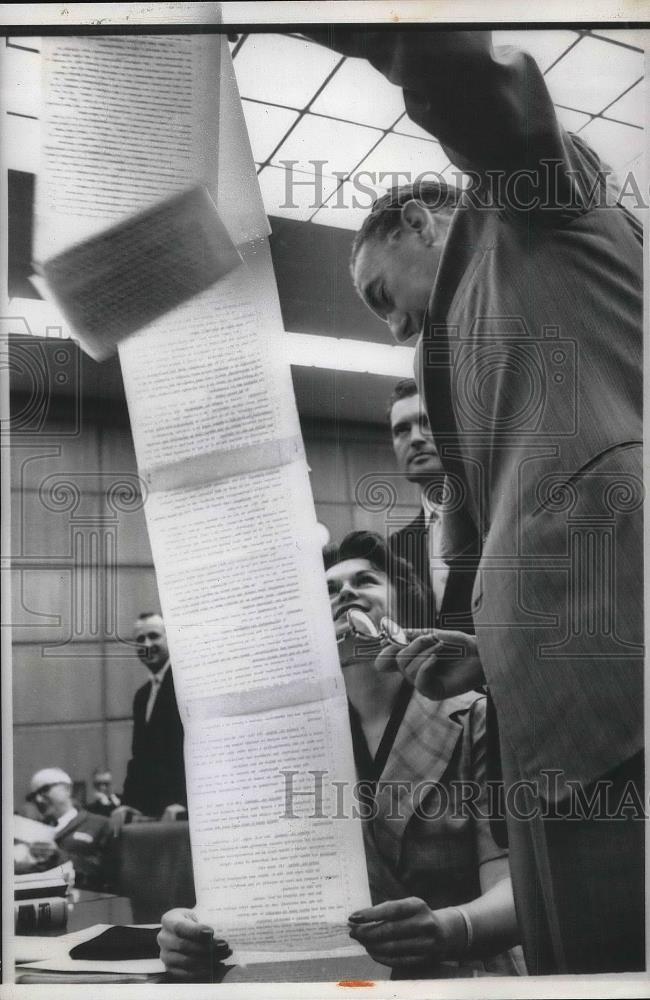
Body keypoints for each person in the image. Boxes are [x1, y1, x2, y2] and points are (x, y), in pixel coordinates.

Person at [300, 29, 643, 974]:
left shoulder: (536, 208)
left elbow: (484, 94)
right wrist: (487, 652)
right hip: (555, 731)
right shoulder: (471, 366)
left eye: (383, 298)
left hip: (623, 703)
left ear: (421, 224)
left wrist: (382, 28)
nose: (397, 327)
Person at [158, 532, 524, 980]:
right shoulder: (283, 743)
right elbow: (255, 890)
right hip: (337, 980)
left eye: (365, 580)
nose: (345, 592)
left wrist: (452, 927)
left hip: (467, 975)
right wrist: (190, 927)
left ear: (404, 609)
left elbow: (515, 889)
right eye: (328, 589)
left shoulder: (475, 717)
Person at [388, 378, 476, 631]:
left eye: (426, 422)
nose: (415, 438)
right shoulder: (394, 550)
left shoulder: (495, 519)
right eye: (401, 429)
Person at [112, 612, 187, 828]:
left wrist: (186, 803)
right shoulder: (142, 696)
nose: (147, 644)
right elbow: (140, 759)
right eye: (140, 639)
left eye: (154, 636)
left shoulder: (187, 684)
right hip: (155, 816)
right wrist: (128, 804)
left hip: (183, 815)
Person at [25, 767, 112, 891]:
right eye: (34, 796)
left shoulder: (99, 824)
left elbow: (107, 873)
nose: (38, 799)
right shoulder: (34, 831)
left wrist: (58, 857)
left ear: (67, 789)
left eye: (44, 790)